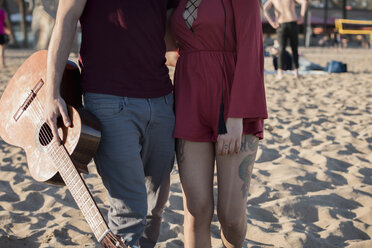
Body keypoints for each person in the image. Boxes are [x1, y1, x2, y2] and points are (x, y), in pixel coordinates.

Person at [44, 1, 179, 247]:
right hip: (108, 99)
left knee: (154, 206)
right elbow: (66, 18)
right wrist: (52, 92)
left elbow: (171, 35)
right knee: (129, 210)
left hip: (161, 99)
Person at [168, 0, 267, 247]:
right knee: (196, 208)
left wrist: (236, 116)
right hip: (190, 100)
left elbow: (251, 48)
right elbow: (169, 47)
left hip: (233, 104)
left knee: (231, 216)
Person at [263, 0, 307, 79]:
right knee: (294, 49)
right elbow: (304, 2)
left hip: (281, 23)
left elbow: (264, 9)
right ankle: (296, 72)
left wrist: (272, 22)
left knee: (281, 50)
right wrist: (302, 16)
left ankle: (280, 73)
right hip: (292, 22)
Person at [0, 0, 10, 68]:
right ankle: (3, 64)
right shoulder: (2, 12)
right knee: (2, 49)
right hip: (1, 32)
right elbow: (5, 22)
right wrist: (8, 29)